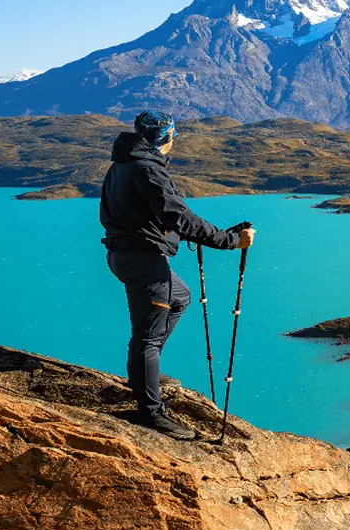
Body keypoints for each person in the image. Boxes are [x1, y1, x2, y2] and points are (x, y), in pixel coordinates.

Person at [100, 110, 255, 439]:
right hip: (144, 263)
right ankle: (150, 412)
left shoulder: (123, 165)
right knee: (147, 338)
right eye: (174, 133)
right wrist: (230, 241)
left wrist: (190, 235)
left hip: (126, 255)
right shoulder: (148, 171)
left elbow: (153, 217)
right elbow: (178, 217)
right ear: (165, 137)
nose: (175, 138)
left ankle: (146, 373)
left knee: (180, 297)